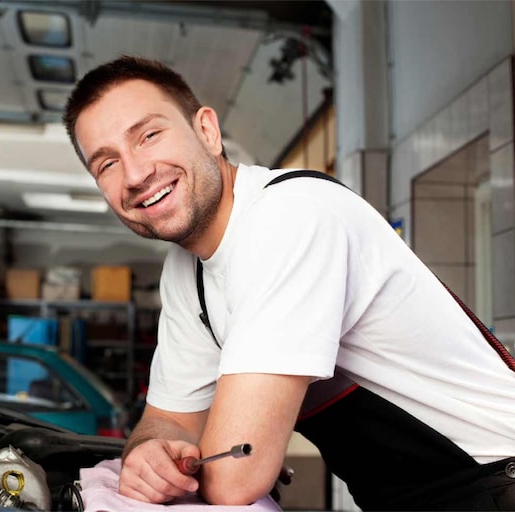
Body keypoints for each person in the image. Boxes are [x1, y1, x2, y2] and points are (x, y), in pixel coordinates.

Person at [62, 55, 515, 510]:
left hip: (496, 481)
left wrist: (201, 457)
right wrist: (150, 454)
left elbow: (239, 475)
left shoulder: (290, 216)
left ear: (207, 131)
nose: (136, 174)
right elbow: (168, 418)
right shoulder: (187, 272)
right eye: (107, 164)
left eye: (149, 135)